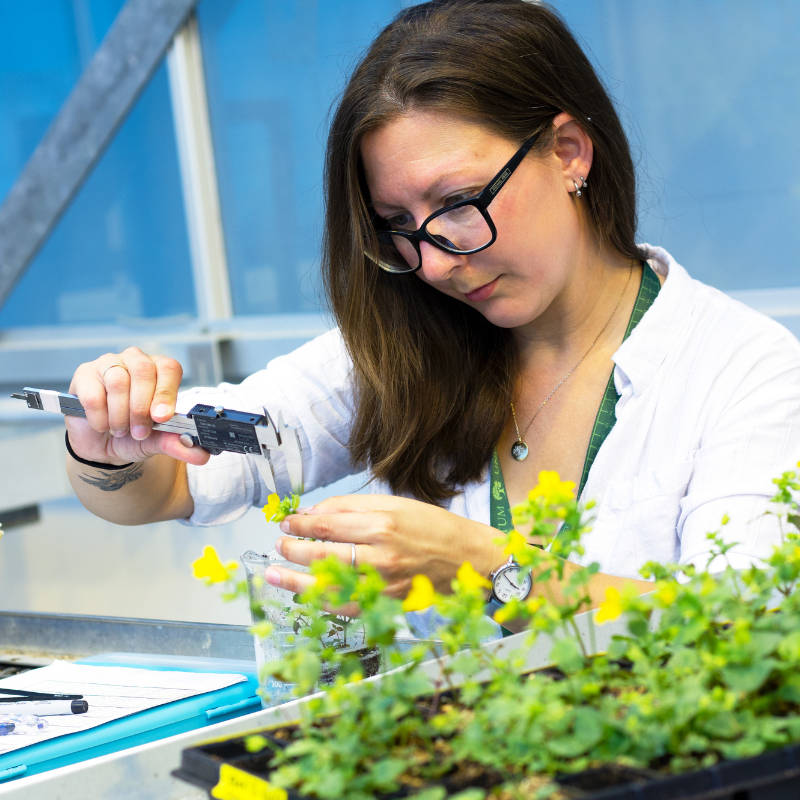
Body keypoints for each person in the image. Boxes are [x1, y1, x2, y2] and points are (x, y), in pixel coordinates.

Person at [63, 0, 800, 634]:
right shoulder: (404, 345)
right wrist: (107, 443)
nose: (436, 261)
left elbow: (745, 632)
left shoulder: (745, 372)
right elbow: (170, 487)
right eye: (397, 225)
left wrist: (483, 566)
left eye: (458, 204)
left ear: (570, 153)